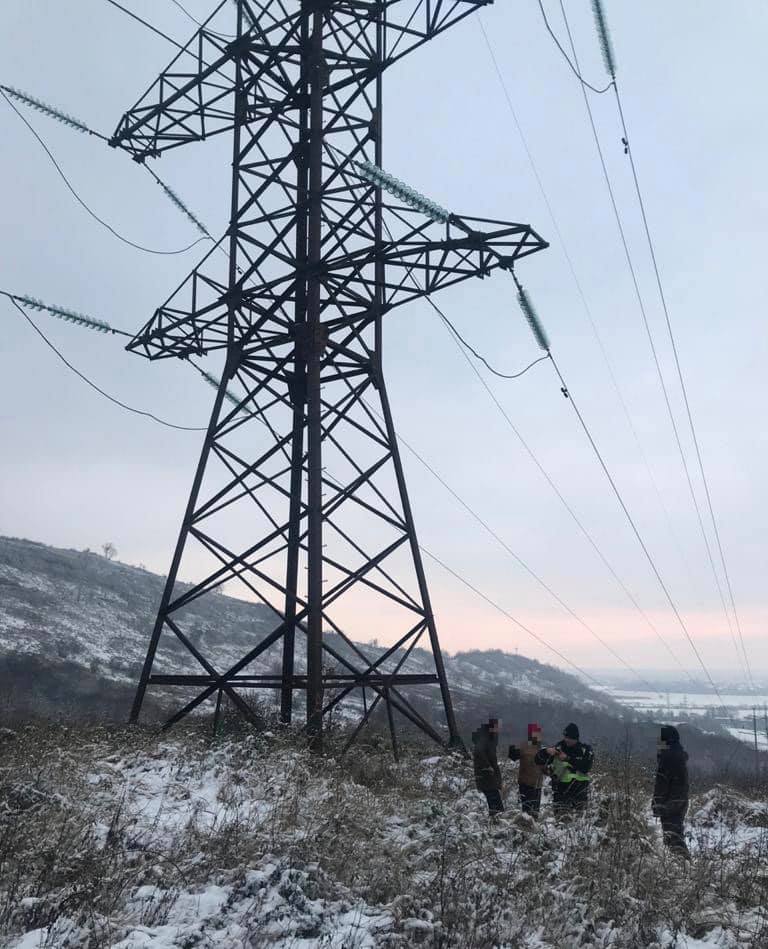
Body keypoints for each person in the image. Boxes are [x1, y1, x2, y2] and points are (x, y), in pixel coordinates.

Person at [535, 722, 593, 818]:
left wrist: (568, 758)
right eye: (565, 737)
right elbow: (537, 760)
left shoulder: (585, 750)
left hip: (579, 793)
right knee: (561, 821)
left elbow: (586, 767)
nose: (567, 740)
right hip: (560, 792)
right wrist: (546, 752)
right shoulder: (559, 747)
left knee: (579, 821)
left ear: (576, 738)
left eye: (570, 738)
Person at [652, 724, 690, 858]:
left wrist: (657, 804)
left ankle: (683, 864)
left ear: (667, 740)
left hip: (670, 802)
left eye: (661, 739)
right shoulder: (678, 754)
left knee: (672, 838)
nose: (658, 742)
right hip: (680, 801)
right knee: (675, 835)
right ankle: (681, 863)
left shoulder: (667, 757)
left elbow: (661, 783)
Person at [508, 722, 547, 818]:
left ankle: (532, 824)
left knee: (535, 813)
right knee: (527, 812)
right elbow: (512, 756)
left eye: (538, 733)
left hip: (537, 785)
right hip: (526, 784)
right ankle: (526, 825)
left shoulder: (542, 748)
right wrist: (512, 741)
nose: (537, 736)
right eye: (535, 733)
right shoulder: (524, 746)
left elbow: (544, 767)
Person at [472, 718, 503, 815]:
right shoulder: (484, 738)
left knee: (495, 802)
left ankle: (496, 819)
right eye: (497, 727)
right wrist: (488, 766)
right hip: (486, 776)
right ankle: (495, 820)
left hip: (489, 776)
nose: (498, 729)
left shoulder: (490, 738)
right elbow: (479, 752)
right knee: (495, 803)